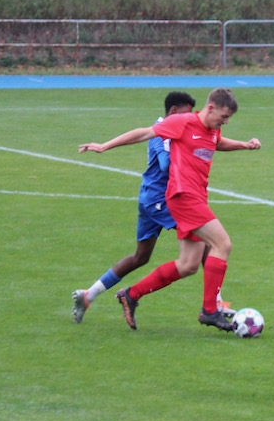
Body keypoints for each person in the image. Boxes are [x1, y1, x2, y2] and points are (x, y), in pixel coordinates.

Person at [78, 88, 260, 332]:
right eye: (224, 116)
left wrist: (244, 145)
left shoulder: (213, 129)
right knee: (222, 244)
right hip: (183, 197)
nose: (225, 122)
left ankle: (131, 295)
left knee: (188, 265)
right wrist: (104, 146)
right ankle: (210, 310)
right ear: (210, 108)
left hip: (197, 197)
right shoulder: (182, 122)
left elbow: (218, 143)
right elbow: (144, 132)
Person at [71, 91, 197, 323]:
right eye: (185, 114)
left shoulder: (169, 130)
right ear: (173, 111)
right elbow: (165, 164)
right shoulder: (163, 133)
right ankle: (215, 303)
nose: (188, 120)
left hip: (150, 198)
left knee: (141, 257)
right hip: (161, 200)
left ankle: (88, 295)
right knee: (204, 236)